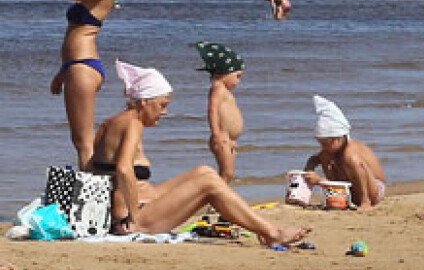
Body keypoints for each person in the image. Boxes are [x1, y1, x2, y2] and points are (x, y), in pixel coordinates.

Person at [91, 59, 309, 246]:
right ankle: (272, 233)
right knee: (209, 184)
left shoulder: (112, 123)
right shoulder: (133, 124)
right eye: (162, 105)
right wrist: (134, 215)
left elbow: (93, 168)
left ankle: (264, 229)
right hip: (135, 219)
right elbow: (123, 169)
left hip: (136, 207)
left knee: (204, 172)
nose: (164, 112)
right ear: (145, 101)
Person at [50, 0, 117, 171]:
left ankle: (89, 202)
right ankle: (93, 194)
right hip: (74, 67)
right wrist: (61, 73)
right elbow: (74, 34)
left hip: (83, 66)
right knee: (80, 140)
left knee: (83, 141)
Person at [303, 95, 386, 211]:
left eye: (326, 143)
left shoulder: (350, 150)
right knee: (324, 156)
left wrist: (320, 181)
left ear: (338, 138)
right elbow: (314, 158)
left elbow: (359, 167)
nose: (323, 147)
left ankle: (364, 201)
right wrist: (309, 168)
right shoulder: (332, 150)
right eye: (320, 143)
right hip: (353, 188)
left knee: (350, 159)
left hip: (374, 189)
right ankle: (338, 197)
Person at [194, 41, 245, 183]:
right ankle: (214, 201)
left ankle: (220, 201)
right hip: (222, 137)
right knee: (226, 173)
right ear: (225, 72)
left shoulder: (224, 90)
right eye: (237, 76)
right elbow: (212, 110)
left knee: (228, 174)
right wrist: (216, 134)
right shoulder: (218, 88)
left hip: (229, 139)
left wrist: (232, 139)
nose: (238, 82)